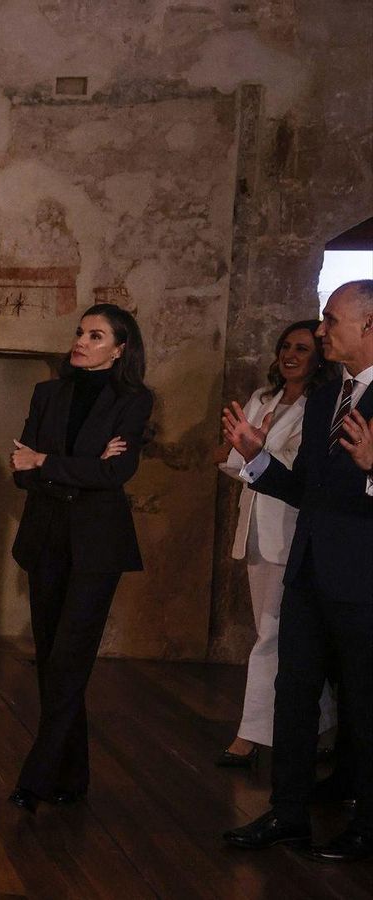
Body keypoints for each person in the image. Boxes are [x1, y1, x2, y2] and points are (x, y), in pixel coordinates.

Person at [222, 280, 373, 862]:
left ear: (368, 326)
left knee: (363, 699)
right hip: (308, 569)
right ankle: (288, 813)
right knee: (294, 691)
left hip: (362, 579)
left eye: (330, 319)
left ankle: (365, 824)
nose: (319, 330)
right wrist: (256, 457)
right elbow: (307, 490)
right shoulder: (327, 395)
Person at [5, 303, 154, 811]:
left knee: (71, 657)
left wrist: (46, 461)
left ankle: (39, 774)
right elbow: (19, 471)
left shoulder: (133, 400)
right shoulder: (48, 393)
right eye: (80, 333)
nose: (82, 342)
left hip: (96, 545)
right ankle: (74, 773)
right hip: (45, 537)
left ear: (120, 348)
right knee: (51, 658)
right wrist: (78, 466)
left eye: (96, 336)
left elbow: (115, 476)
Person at [216, 321, 335, 767]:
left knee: (273, 633)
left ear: (318, 357)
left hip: (290, 526)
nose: (290, 354)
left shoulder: (318, 405)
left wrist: (256, 452)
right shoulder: (263, 400)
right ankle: (322, 726)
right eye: (285, 346)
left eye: (302, 348)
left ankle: (249, 736)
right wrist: (249, 451)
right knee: (277, 633)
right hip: (256, 531)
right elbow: (235, 458)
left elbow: (291, 467)